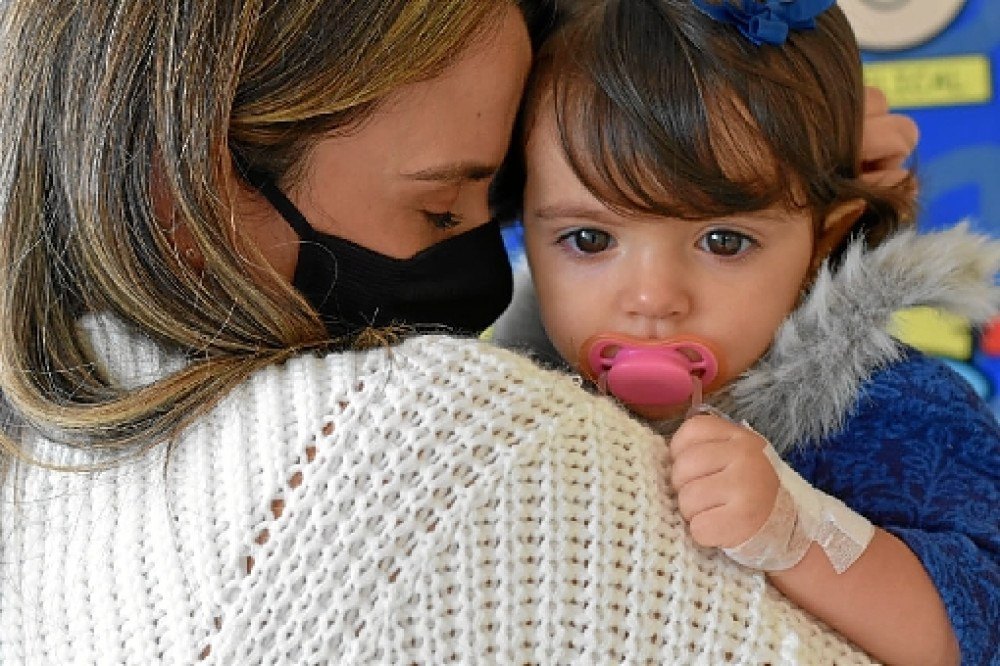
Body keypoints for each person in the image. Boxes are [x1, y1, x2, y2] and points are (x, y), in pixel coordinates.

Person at [0, 0, 919, 663]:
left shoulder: (45, 461)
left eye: (502, 207)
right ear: (185, 196)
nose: (482, 277)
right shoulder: (424, 435)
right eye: (442, 210)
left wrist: (752, 157)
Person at [493, 1, 999, 664]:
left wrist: (797, 533)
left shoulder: (893, 411)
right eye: (589, 239)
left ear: (825, 240)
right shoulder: (517, 400)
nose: (652, 299)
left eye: (723, 240)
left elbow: (976, 627)